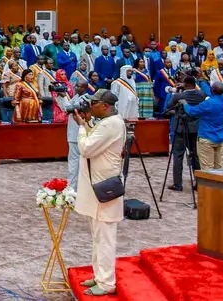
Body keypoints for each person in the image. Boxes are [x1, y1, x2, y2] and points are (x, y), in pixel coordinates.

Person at [73, 89, 126, 297]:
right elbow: (93, 141)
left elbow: (86, 148)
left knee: (105, 238)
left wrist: (80, 127)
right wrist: (86, 123)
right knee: (97, 236)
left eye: (93, 103)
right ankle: (100, 276)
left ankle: (107, 283)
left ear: (105, 106)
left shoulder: (111, 124)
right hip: (98, 187)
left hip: (105, 188)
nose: (89, 106)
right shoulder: (105, 122)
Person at [183, 82, 223, 171]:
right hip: (220, 137)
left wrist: (185, 103)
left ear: (212, 90)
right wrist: (202, 82)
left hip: (206, 137)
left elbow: (192, 111)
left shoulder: (208, 103)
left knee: (207, 168)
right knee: (219, 167)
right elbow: (212, 92)